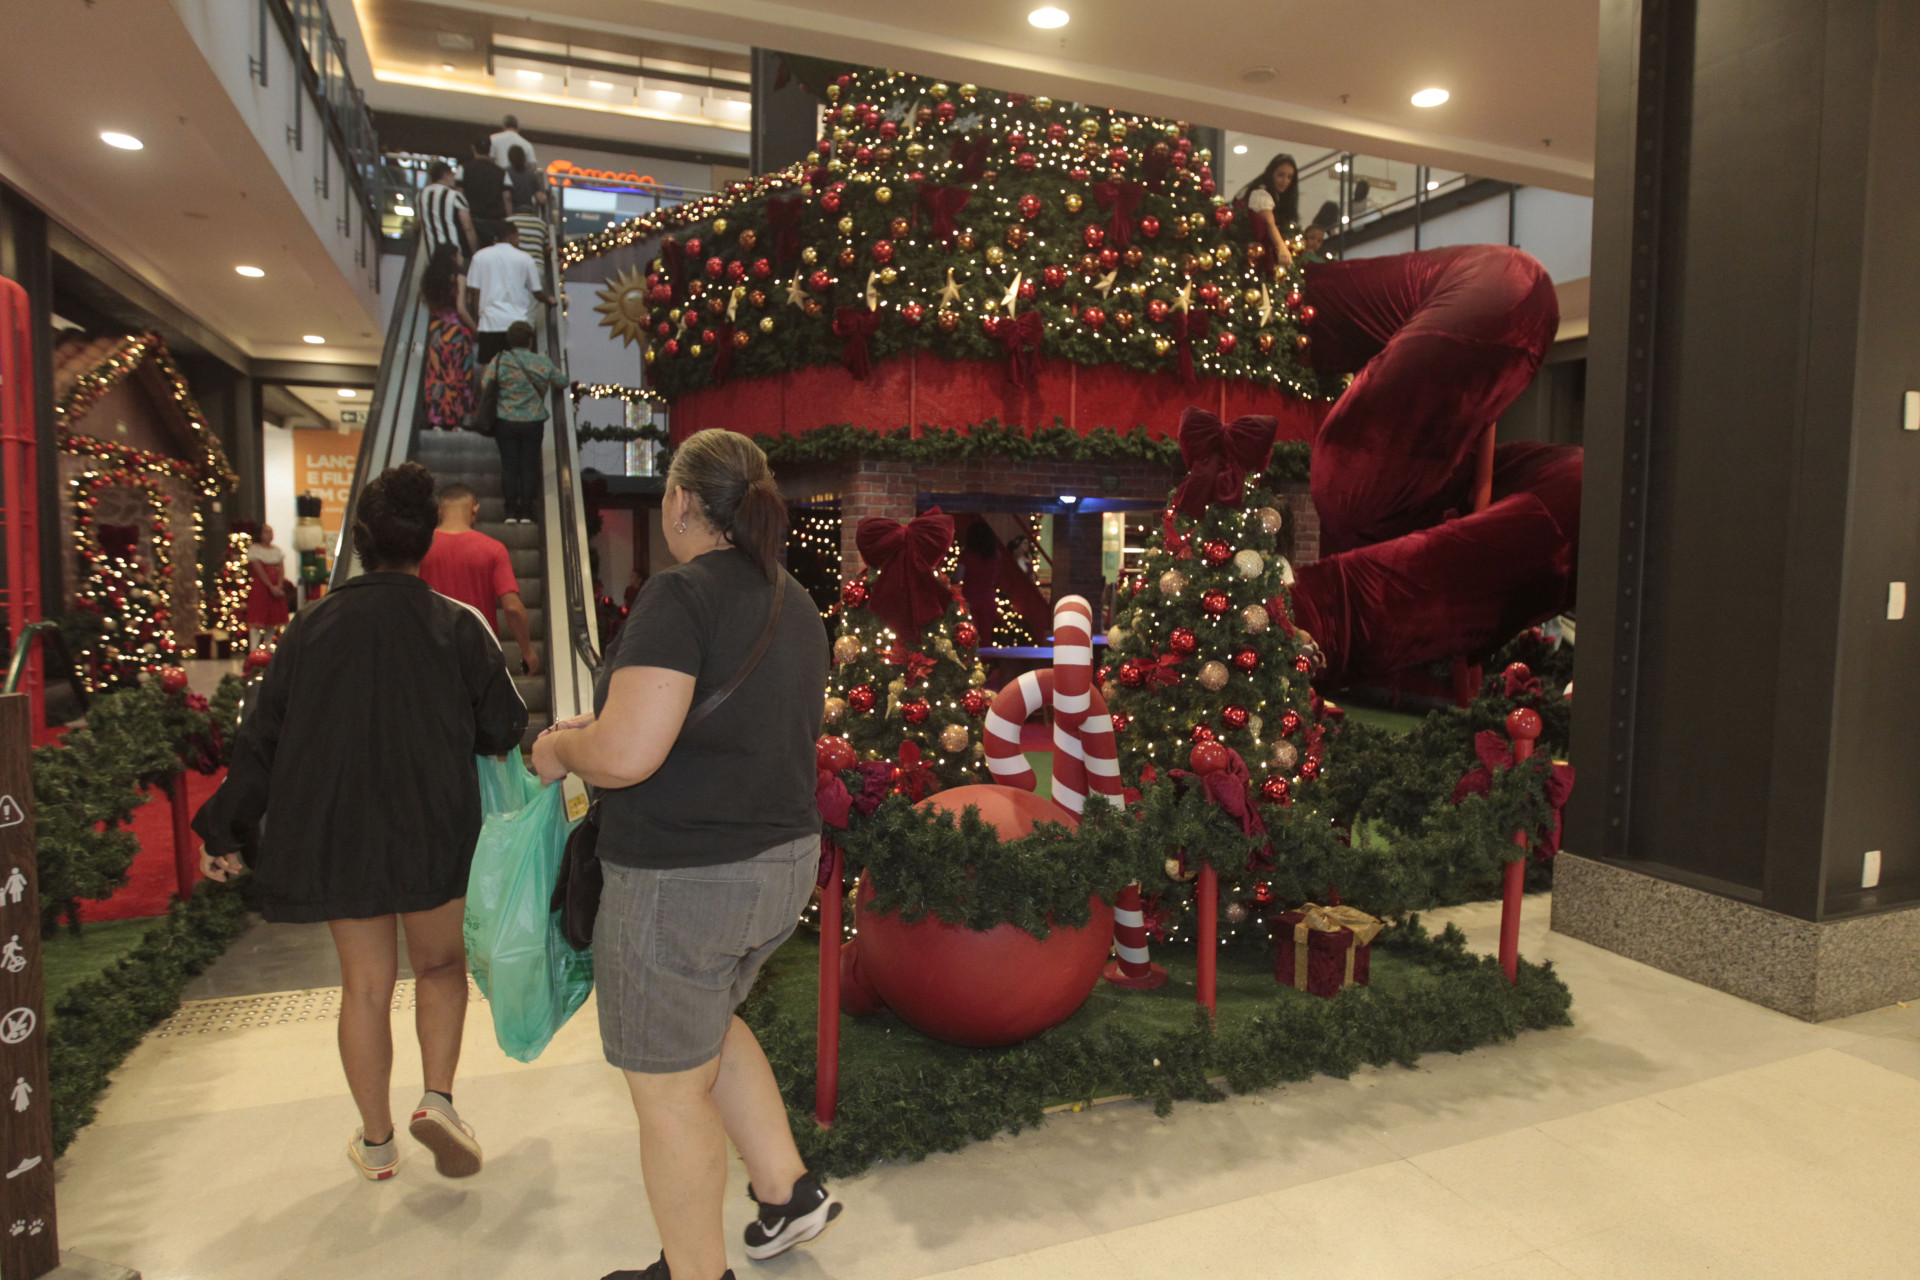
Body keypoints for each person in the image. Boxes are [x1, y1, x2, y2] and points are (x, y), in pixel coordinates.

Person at [530, 429, 838, 1280]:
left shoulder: (680, 595)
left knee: (669, 1089)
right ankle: (786, 1192)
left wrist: (560, 748)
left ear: (680, 502)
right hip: (780, 866)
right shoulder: (794, 601)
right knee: (707, 1025)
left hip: (684, 881)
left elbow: (627, 752)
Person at [193, 462, 527, 1183]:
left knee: (366, 985)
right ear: (425, 541)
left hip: (341, 828)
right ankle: (437, 1101)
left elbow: (261, 739)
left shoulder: (310, 624)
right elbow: (504, 725)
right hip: (435, 821)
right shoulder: (456, 625)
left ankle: (377, 1143)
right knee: (440, 967)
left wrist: (224, 827)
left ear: (362, 540)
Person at [419, 481, 541, 676]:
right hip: (479, 655)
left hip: (429, 652)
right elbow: (512, 608)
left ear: (439, 510)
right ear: (475, 508)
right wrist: (527, 651)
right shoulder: (493, 549)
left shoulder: (419, 548)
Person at [480, 321, 562, 524]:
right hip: (533, 422)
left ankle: (510, 512)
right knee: (528, 465)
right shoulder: (542, 361)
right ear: (530, 341)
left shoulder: (500, 359)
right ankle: (526, 512)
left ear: (509, 340)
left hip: (505, 420)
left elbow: (485, 383)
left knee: (509, 466)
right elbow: (562, 381)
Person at [467, 223, 553, 365]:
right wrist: (549, 300)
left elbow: (475, 293)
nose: (519, 240)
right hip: (517, 325)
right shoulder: (525, 258)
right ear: (512, 236)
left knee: (489, 368)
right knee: (516, 368)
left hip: (489, 323)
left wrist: (477, 321)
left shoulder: (480, 256)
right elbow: (536, 292)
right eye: (518, 236)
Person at [421, 243, 476, 432]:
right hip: (456, 333)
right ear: (453, 257)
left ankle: (437, 420)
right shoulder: (459, 278)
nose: (461, 258)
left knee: (438, 375)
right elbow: (461, 309)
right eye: (459, 255)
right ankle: (459, 421)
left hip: (437, 332)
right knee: (459, 376)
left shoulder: (431, 280)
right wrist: (475, 330)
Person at [1239, 152, 1300, 273]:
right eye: (1280, 175)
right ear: (1271, 173)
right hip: (1256, 256)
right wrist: (1281, 246)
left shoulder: (1279, 198)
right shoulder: (1261, 193)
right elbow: (1269, 222)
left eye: (1289, 177)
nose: (1285, 180)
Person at [243, 523, 290, 651]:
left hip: (276, 586)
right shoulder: (255, 550)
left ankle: (268, 645)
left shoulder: (277, 550)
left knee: (272, 618)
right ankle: (254, 647)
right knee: (258, 617)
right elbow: (259, 570)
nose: (269, 535)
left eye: (271, 532)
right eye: (266, 532)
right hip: (261, 587)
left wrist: (279, 584)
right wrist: (270, 586)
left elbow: (281, 569)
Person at [417, 160, 475, 261]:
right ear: (446, 175)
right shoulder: (455, 196)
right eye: (452, 174)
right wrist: (475, 251)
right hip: (453, 253)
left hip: (431, 254)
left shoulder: (420, 195)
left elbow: (418, 223)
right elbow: (468, 228)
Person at [463, 136, 512, 251]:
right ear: (490, 150)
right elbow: (507, 197)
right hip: (495, 222)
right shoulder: (501, 172)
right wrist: (509, 220)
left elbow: (459, 194)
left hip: (472, 219)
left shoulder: (464, 168)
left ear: (473, 148)